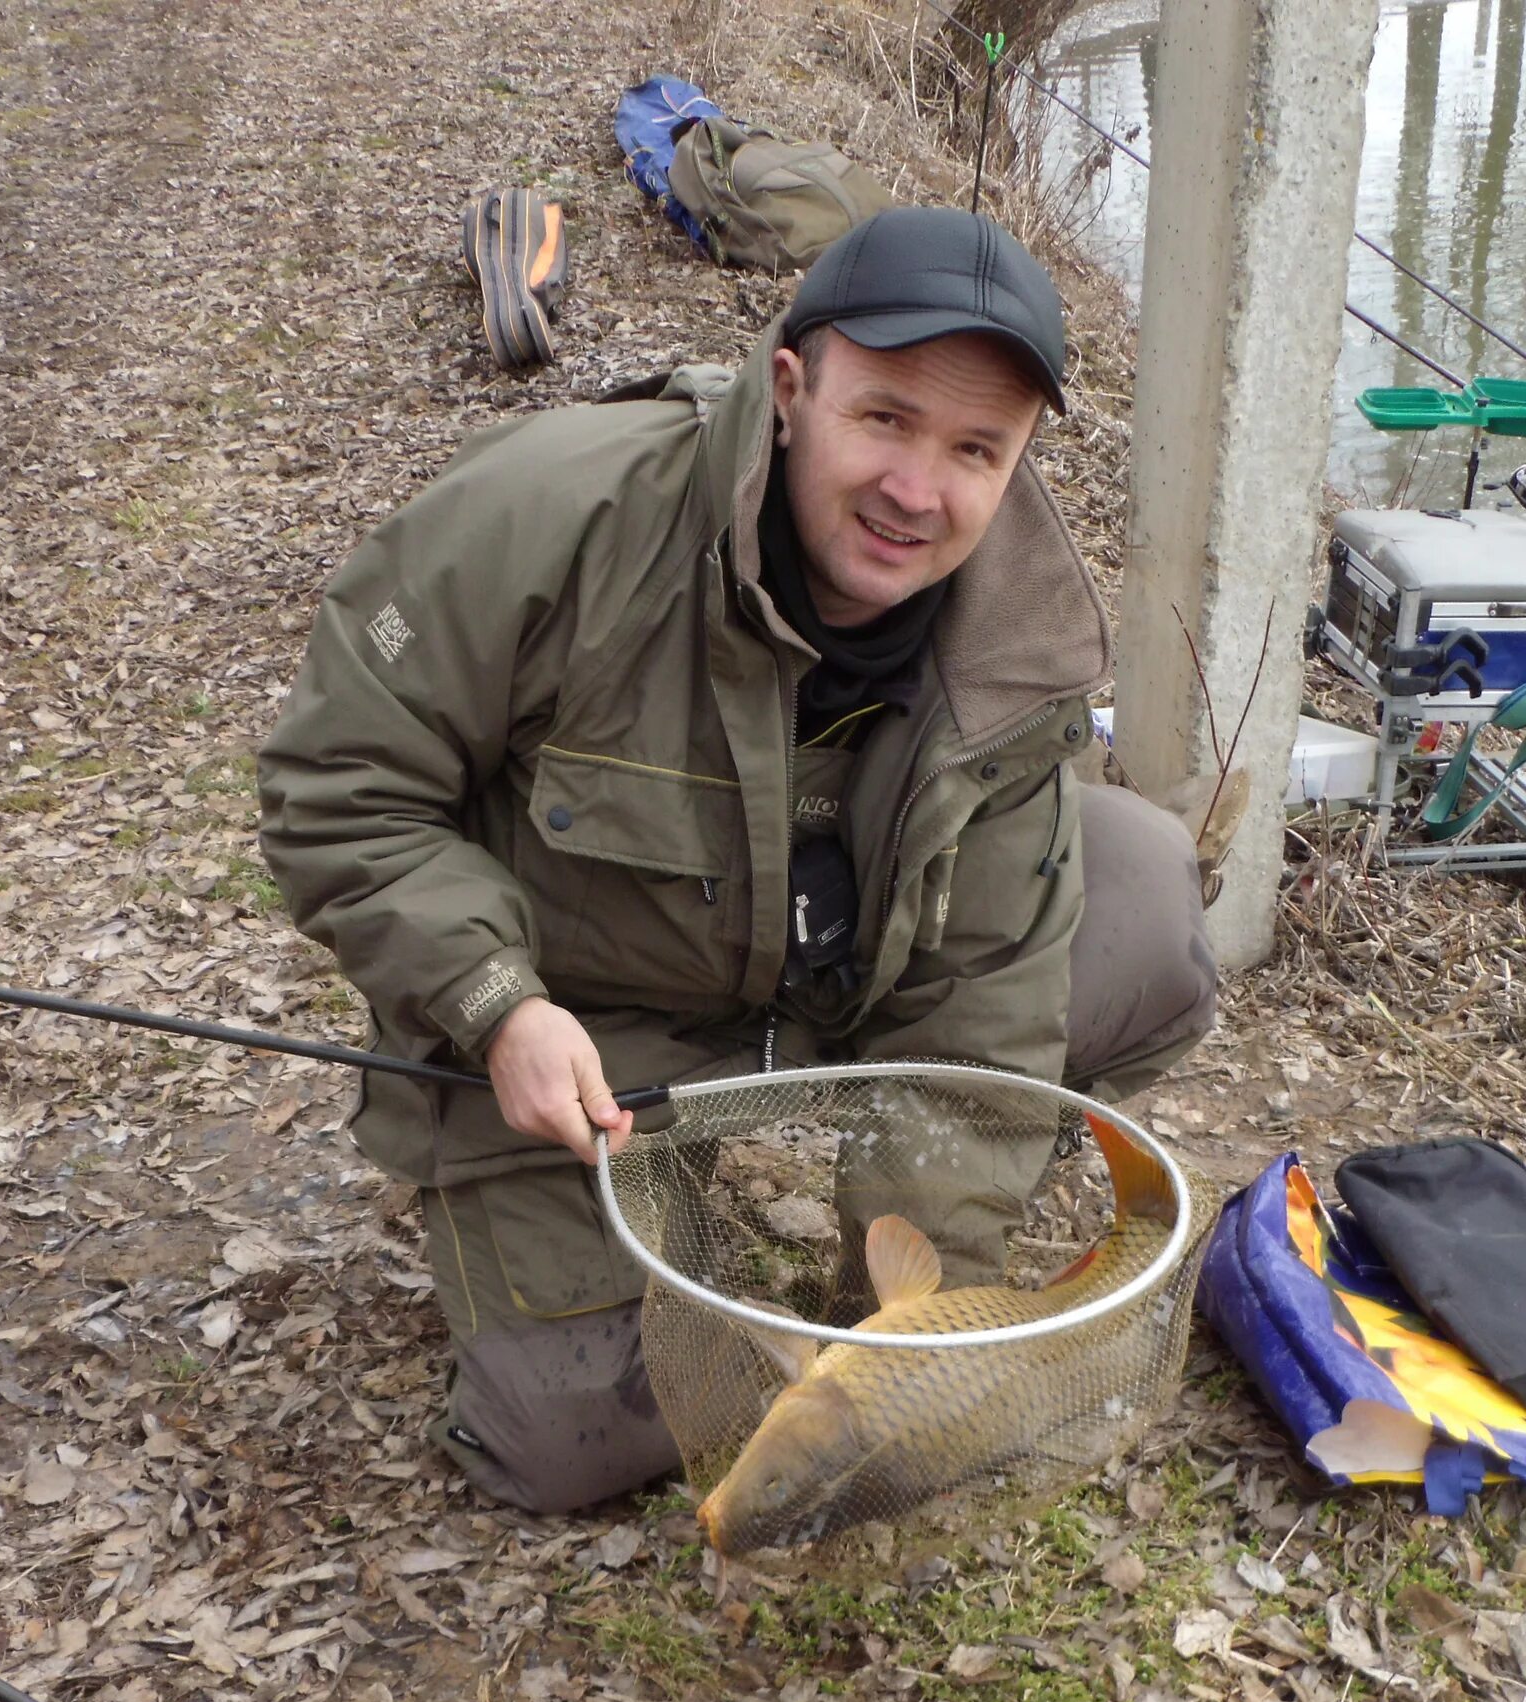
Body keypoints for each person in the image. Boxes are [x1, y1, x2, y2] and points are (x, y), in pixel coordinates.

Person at [258, 206, 1217, 1517]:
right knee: (563, 1440)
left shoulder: (1021, 642)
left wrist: (906, 1329)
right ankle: (576, 1210)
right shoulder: (559, 515)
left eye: (975, 450)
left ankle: (873, 1276)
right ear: (790, 387)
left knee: (1146, 900)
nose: (918, 491)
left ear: (1019, 461)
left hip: (833, 1005)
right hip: (590, 1036)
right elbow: (340, 779)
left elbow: (984, 1000)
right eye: (883, 418)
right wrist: (494, 1005)